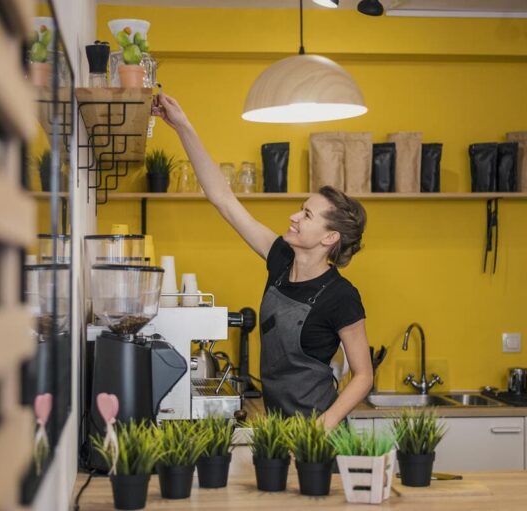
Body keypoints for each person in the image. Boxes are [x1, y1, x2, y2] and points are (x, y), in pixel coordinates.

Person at [153, 93, 373, 430]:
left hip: (319, 436)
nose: (294, 216)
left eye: (307, 214)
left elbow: (363, 375)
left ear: (330, 238)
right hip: (277, 429)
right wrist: (183, 126)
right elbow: (223, 199)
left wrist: (323, 426)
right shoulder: (280, 259)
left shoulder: (341, 296)